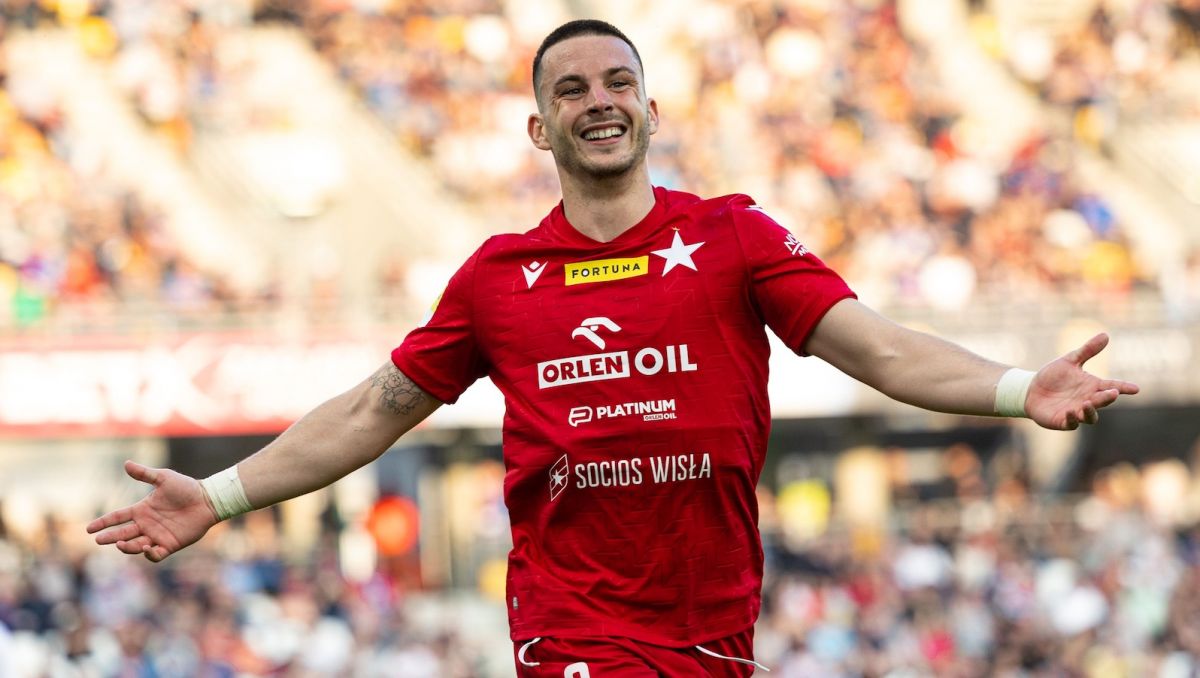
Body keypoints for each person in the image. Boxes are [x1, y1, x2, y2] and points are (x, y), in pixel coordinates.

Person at [88, 19, 1140, 677]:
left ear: (649, 107)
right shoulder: (497, 277)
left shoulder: (732, 237)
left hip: (714, 631)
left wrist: (1018, 389)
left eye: (616, 82)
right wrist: (218, 496)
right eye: (572, 89)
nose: (599, 101)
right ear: (540, 128)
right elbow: (373, 411)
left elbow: (883, 350)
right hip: (573, 631)